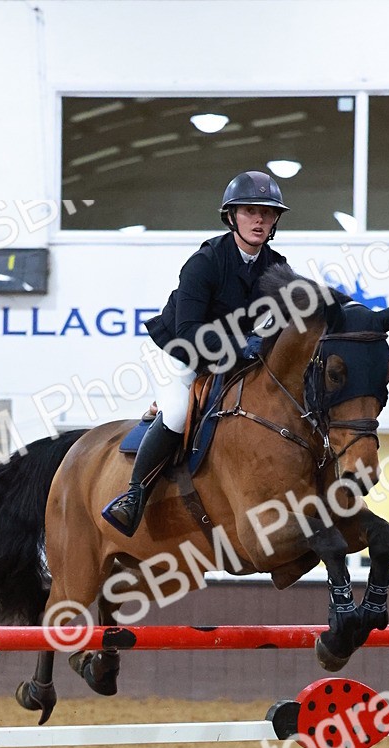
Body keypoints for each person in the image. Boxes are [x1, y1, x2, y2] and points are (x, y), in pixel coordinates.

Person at [102, 170, 290, 536]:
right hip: (181, 353)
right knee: (175, 413)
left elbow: (287, 319)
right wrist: (241, 346)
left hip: (236, 359)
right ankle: (133, 496)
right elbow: (188, 333)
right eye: (251, 211)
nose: (260, 220)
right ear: (231, 216)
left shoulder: (276, 266)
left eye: (268, 213)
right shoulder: (205, 263)